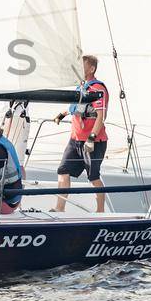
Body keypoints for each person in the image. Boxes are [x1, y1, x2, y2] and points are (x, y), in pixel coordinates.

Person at [54, 55, 109, 213]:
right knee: (63, 171)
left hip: (93, 141)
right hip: (75, 140)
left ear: (91, 69)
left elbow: (100, 116)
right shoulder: (81, 87)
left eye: (82, 66)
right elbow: (76, 106)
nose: (78, 69)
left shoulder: (98, 89)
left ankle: (100, 211)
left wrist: (91, 139)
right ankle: (59, 208)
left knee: (93, 177)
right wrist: (62, 114)